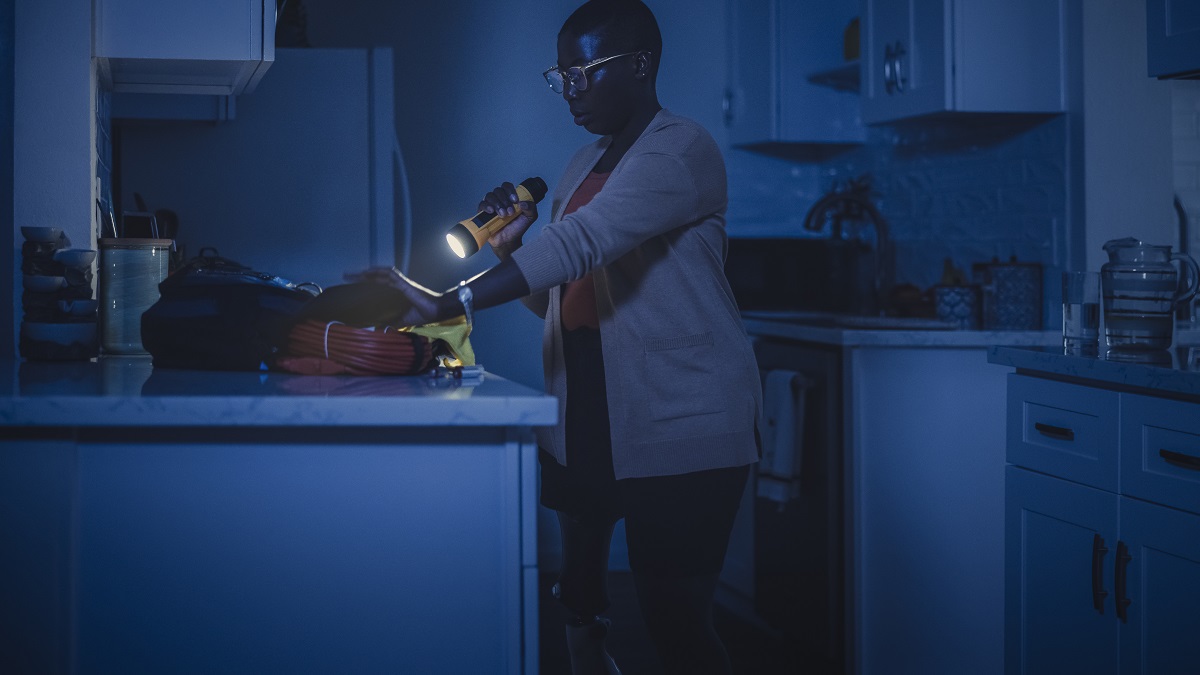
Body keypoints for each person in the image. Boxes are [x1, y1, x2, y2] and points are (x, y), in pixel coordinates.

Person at [355, 1, 761, 672]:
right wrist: (513, 246)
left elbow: (583, 241)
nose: (570, 91)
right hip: (586, 416)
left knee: (675, 626)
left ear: (640, 64)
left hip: (682, 420)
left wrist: (450, 299)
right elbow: (562, 295)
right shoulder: (582, 164)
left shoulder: (681, 149)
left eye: (585, 72)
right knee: (579, 597)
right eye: (562, 74)